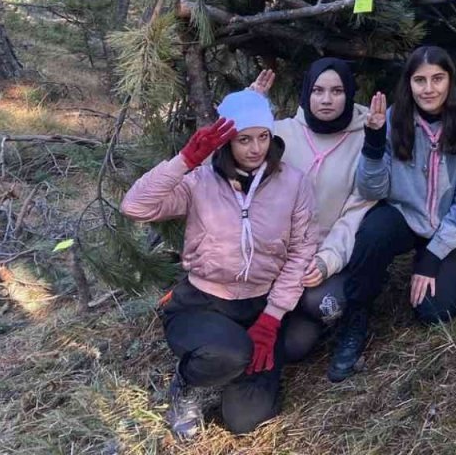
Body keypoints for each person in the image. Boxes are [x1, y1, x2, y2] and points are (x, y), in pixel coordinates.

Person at [121, 91, 316, 439]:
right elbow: (136, 206)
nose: (255, 149)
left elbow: (301, 252)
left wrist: (272, 318)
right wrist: (183, 161)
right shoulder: (199, 182)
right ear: (226, 142)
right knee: (230, 353)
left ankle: (233, 369)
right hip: (202, 302)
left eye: (263, 137)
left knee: (246, 421)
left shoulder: (293, 183)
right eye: (244, 139)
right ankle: (188, 385)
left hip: (260, 305)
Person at [327, 46, 456, 382]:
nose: (429, 88)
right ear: (408, 84)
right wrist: (375, 142)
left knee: (436, 312)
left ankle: (436, 269)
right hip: (404, 216)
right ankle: (355, 318)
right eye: (419, 80)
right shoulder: (394, 119)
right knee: (373, 232)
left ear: (450, 80)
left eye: (437, 79)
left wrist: (432, 257)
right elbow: (371, 190)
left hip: (449, 224)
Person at [248, 59, 374, 362]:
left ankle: (321, 320)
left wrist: (325, 261)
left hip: (320, 262)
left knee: (310, 321)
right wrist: (247, 111)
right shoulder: (280, 134)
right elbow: (225, 162)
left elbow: (357, 213)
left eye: (336, 91)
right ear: (306, 93)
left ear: (350, 94)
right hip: (276, 256)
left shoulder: (365, 138)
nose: (327, 99)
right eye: (318, 90)